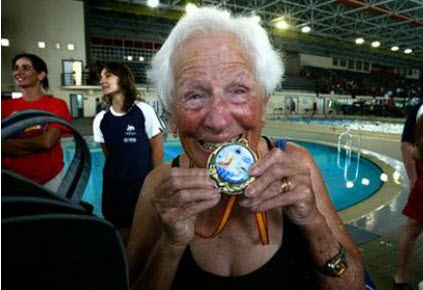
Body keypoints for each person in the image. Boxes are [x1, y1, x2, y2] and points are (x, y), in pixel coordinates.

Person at [127, 7, 364, 290]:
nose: (217, 120)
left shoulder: (297, 165)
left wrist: (312, 222)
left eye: (238, 91)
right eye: (194, 95)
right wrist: (170, 244)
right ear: (171, 118)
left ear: (264, 105)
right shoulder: (159, 189)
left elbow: (355, 285)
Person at [92, 62, 164, 243]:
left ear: (122, 79)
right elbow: (110, 155)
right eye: (101, 77)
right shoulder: (101, 119)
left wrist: (154, 181)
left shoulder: (143, 111)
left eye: (108, 76)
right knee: (119, 234)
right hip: (114, 188)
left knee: (143, 233)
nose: (102, 81)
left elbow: (157, 148)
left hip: (141, 187)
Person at [1, 53, 71, 191]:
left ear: (41, 75)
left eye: (26, 68)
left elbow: (47, 142)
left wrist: (9, 145)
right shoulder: (4, 107)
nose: (18, 72)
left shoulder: (55, 104)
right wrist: (34, 144)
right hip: (12, 179)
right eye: (16, 68)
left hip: (50, 179)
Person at [394, 104, 423, 290]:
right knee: (413, 227)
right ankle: (400, 275)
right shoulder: (420, 108)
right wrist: (413, 179)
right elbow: (408, 146)